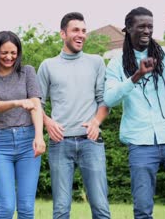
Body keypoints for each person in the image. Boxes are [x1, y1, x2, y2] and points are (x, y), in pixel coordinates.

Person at [104, 7, 165, 219]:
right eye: (142, 26)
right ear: (128, 29)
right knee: (143, 210)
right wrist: (136, 75)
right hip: (140, 143)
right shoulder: (117, 63)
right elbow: (109, 99)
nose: (147, 31)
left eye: (150, 27)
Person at [37, 12, 111, 219]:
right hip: (60, 143)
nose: (81, 35)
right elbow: (37, 103)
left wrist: (96, 122)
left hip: (91, 141)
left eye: (84, 31)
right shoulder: (47, 66)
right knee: (61, 209)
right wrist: (47, 122)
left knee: (101, 207)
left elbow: (104, 100)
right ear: (63, 34)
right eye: (76, 30)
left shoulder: (96, 62)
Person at [0, 31, 45, 218]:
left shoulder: (27, 72)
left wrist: (39, 137)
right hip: (0, 144)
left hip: (27, 143)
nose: (9, 57)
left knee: (26, 208)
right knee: (7, 207)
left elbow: (36, 105)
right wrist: (17, 102)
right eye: (4, 53)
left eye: (13, 53)